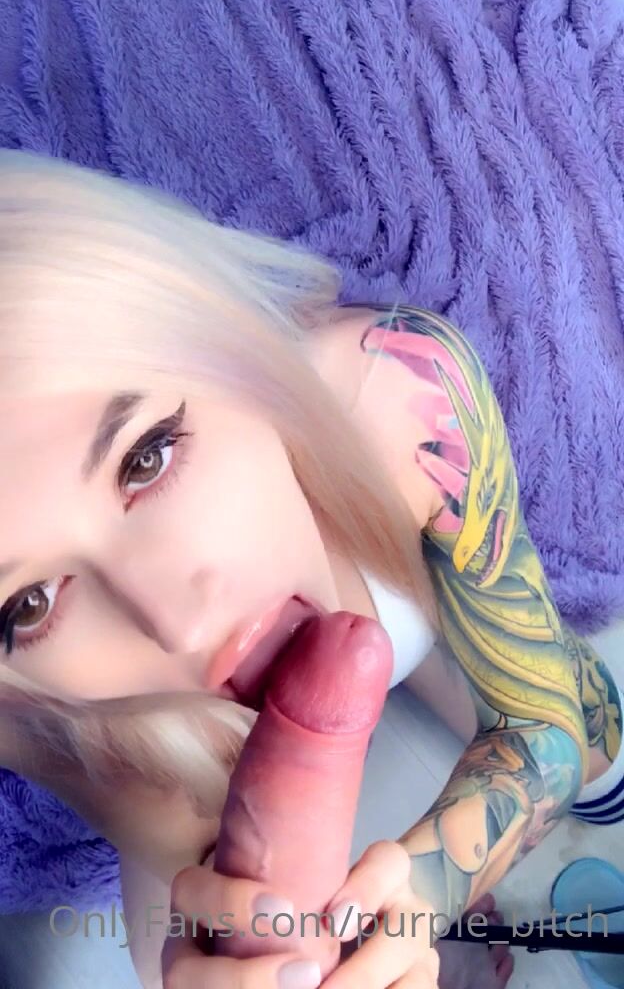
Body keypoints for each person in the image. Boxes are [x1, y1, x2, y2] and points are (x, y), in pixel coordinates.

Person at [0, 149, 621, 989]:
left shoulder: (401, 397)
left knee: (597, 745)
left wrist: (432, 884)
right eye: (29, 604)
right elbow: (185, 874)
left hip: (418, 588)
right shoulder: (43, 701)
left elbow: (552, 721)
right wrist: (289, 948)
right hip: (188, 757)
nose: (178, 625)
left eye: (147, 456)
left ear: (225, 349)